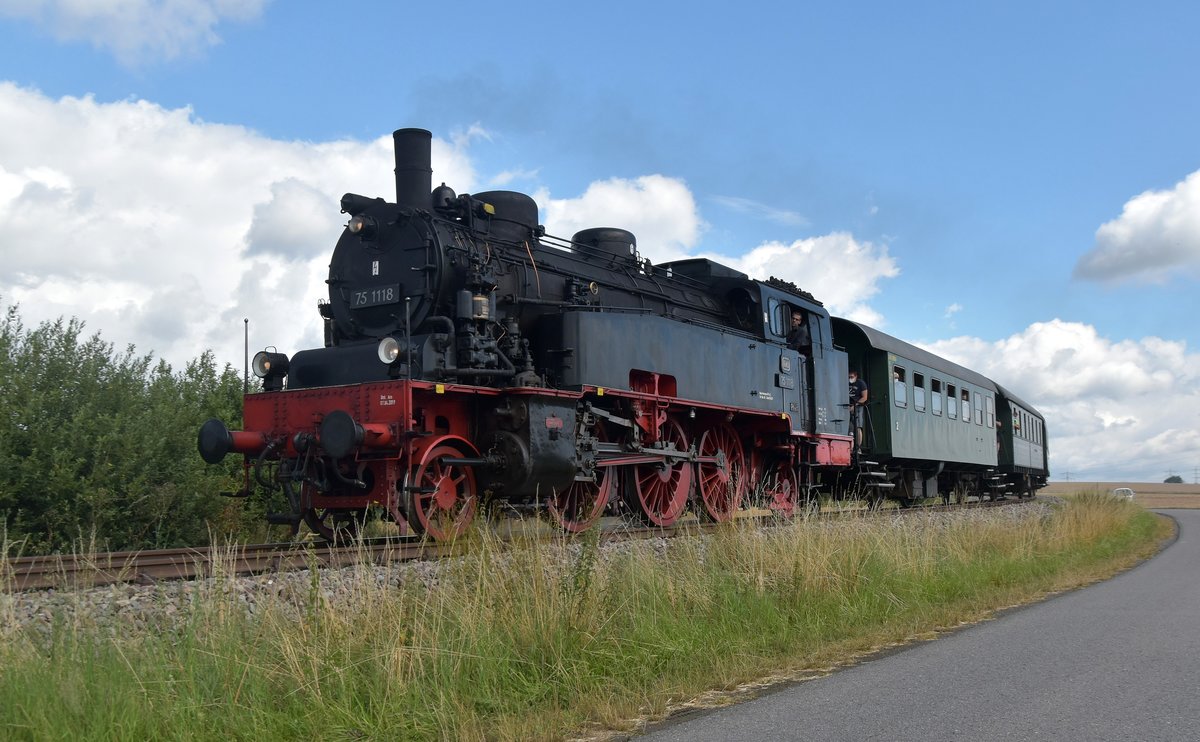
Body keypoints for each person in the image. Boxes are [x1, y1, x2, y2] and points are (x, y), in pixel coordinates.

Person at [849, 369, 868, 448]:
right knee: (849, 427)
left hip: (858, 406)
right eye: (849, 377)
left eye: (851, 377)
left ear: (856, 376)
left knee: (858, 427)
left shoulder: (861, 383)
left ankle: (858, 447)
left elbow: (865, 397)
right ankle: (850, 446)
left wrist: (855, 405)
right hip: (847, 406)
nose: (850, 378)